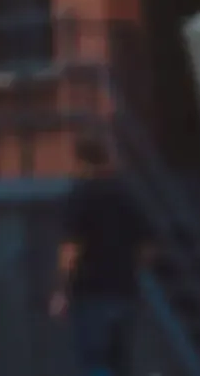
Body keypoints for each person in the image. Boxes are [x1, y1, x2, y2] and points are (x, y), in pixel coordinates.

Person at [51, 135, 153, 373]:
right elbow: (148, 247)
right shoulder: (127, 195)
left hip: (91, 291)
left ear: (80, 161)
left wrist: (61, 289)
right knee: (121, 361)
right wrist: (131, 269)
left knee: (95, 360)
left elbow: (70, 249)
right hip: (125, 290)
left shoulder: (80, 196)